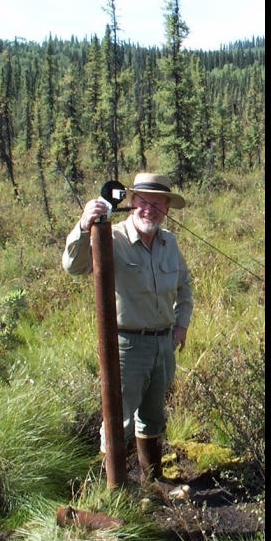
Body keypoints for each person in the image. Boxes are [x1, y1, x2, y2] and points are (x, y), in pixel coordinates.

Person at [62, 172, 193, 483]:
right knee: (117, 421)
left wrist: (181, 326)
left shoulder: (169, 242)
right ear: (131, 203)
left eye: (158, 204)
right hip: (126, 348)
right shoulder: (110, 236)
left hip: (163, 346)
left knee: (153, 417)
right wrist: (83, 226)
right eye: (144, 202)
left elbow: (185, 288)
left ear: (167, 209)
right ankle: (116, 490)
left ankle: (154, 479)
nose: (150, 209)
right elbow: (73, 267)